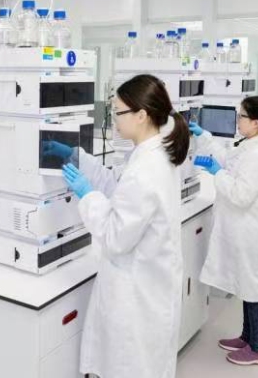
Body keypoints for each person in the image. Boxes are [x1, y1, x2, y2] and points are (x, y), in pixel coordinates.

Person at [46, 74, 189, 378]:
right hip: (150, 281)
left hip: (138, 291)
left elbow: (115, 236)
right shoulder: (152, 153)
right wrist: (75, 156)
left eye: (118, 112)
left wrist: (88, 195)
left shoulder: (146, 169)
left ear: (141, 115)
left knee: (129, 365)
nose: (114, 119)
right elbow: (117, 185)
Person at [190, 96, 258, 366]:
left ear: (256, 123)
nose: (237, 120)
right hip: (240, 228)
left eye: (241, 116)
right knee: (246, 285)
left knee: (253, 288)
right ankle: (247, 337)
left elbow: (241, 195)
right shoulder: (250, 145)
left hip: (249, 230)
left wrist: (217, 173)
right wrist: (204, 136)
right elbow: (228, 159)